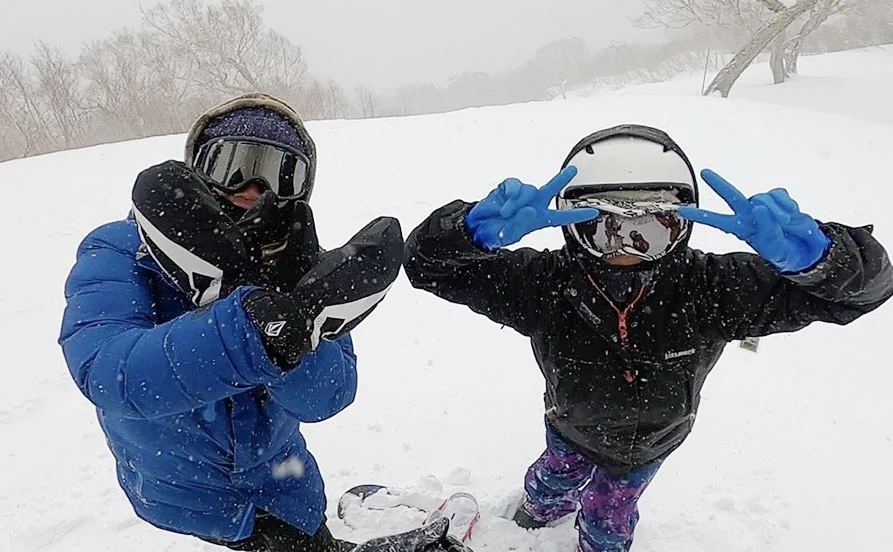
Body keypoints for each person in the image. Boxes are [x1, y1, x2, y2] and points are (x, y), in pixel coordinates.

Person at [402, 124, 893, 552]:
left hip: (649, 446)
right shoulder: (545, 286)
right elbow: (427, 268)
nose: (625, 246)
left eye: (653, 225)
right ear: (570, 222)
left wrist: (821, 260)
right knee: (550, 480)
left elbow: (857, 295)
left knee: (609, 519)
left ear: (682, 223)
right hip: (570, 427)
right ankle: (538, 514)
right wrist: (464, 234)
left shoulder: (712, 289)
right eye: (602, 225)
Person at [58, 93, 405, 552]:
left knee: (304, 535)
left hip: (284, 479)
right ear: (197, 170)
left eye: (281, 171)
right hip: (188, 491)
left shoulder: (301, 268)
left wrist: (292, 321)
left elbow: (327, 396)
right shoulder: (124, 251)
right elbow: (110, 371)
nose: (253, 189)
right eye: (232, 162)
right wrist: (242, 325)